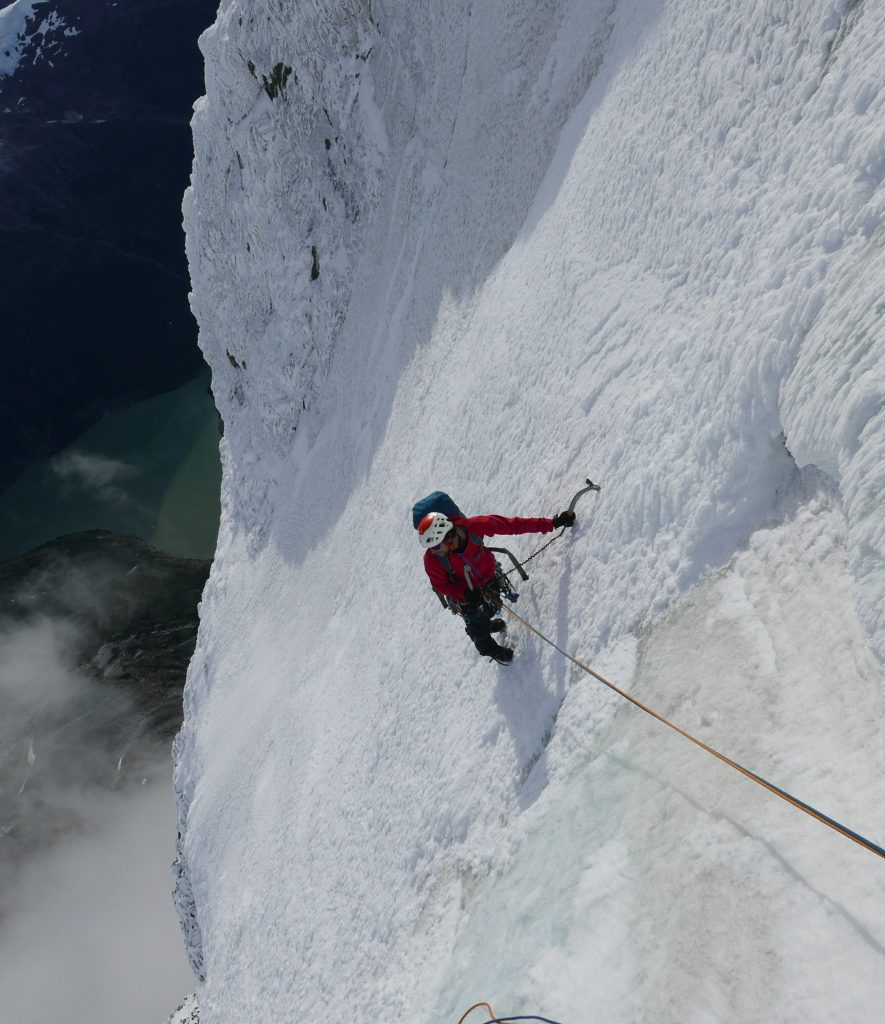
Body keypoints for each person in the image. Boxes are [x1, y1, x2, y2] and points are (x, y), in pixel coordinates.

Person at [417, 509, 576, 664]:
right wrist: (463, 593)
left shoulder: (473, 528)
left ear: (448, 536)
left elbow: (511, 525)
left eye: (436, 547)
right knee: (477, 626)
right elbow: (440, 585)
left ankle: (488, 623)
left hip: (489, 578)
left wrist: (552, 523)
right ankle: (491, 649)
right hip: (467, 595)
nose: (434, 552)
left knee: (492, 607)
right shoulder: (432, 560)